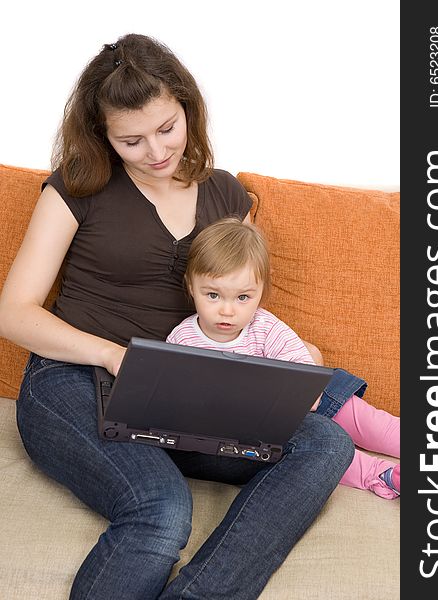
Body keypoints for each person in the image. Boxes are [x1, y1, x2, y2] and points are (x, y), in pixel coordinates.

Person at [0, 33, 355, 600]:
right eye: (131, 140)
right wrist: (114, 356)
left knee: (325, 443)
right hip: (77, 382)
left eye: (167, 128)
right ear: (102, 135)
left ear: (188, 108)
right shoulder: (77, 187)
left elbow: (241, 303)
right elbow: (12, 314)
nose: (157, 151)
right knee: (161, 511)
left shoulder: (227, 196)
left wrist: (295, 360)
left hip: (189, 395)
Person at [167, 217, 400, 499]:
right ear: (191, 287)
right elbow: (181, 403)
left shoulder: (265, 326)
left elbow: (303, 372)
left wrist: (303, 393)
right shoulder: (182, 339)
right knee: (316, 448)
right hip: (265, 428)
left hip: (303, 404)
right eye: (213, 295)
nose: (227, 311)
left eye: (243, 298)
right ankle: (383, 475)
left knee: (362, 416)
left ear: (261, 293)